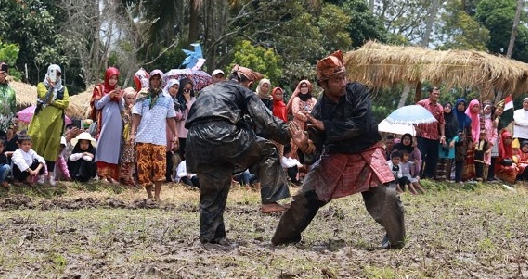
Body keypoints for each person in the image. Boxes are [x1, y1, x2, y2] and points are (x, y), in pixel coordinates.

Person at [272, 50, 405, 249]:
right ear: (324, 84)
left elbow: (360, 123)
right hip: (336, 155)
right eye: (336, 80)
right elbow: (314, 149)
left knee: (387, 195)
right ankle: (284, 238)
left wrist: (326, 126)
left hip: (367, 151)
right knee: (303, 197)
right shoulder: (319, 110)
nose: (342, 83)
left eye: (343, 77)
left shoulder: (358, 92)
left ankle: (396, 240)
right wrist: (304, 144)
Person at [185, 64, 293, 245]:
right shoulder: (243, 91)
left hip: (196, 139)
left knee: (213, 190)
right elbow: (267, 122)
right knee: (268, 150)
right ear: (248, 83)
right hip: (223, 133)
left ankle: (212, 238)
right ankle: (274, 198)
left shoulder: (207, 90)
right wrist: (290, 134)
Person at [130, 70, 176, 201]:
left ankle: (157, 195)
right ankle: (149, 194)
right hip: (143, 136)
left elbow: (170, 118)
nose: (155, 81)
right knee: (144, 168)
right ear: (150, 80)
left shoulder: (167, 98)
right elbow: (136, 115)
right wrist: (133, 133)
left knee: (160, 167)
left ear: (161, 81)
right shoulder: (142, 96)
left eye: (158, 79)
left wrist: (175, 135)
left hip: (159, 138)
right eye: (153, 79)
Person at [28, 64, 69, 186]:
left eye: (58, 74)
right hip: (41, 122)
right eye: (52, 73)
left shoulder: (63, 89)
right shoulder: (41, 85)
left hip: (56, 122)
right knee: (38, 145)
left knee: (52, 147)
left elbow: (65, 103)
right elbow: (44, 97)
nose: (55, 76)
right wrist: (51, 89)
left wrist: (52, 102)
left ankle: (50, 176)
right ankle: (40, 175)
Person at [92, 67, 123, 183]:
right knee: (103, 145)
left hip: (116, 122)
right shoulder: (100, 89)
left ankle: (111, 175)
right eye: (111, 78)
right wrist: (108, 96)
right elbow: (97, 105)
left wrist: (120, 99)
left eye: (115, 79)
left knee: (114, 147)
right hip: (104, 121)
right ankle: (102, 175)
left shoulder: (119, 90)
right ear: (107, 77)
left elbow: (122, 109)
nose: (113, 81)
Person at [415, 87, 445, 180]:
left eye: (438, 94)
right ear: (430, 94)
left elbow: (442, 122)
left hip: (434, 136)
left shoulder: (440, 107)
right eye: (435, 93)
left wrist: (443, 135)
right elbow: (413, 115)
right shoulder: (422, 103)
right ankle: (417, 175)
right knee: (420, 156)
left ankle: (428, 176)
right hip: (422, 135)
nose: (436, 96)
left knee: (433, 157)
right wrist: (416, 127)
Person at [164, 80, 183, 183]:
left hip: (171, 129)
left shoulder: (176, 102)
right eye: (173, 87)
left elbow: (180, 116)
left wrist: (173, 113)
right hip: (163, 128)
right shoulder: (163, 98)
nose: (174, 90)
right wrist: (175, 114)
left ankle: (167, 175)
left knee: (169, 153)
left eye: (176, 88)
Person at [119, 87, 137, 186]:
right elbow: (123, 120)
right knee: (125, 156)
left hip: (134, 135)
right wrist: (128, 112)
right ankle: (123, 176)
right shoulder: (123, 109)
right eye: (128, 98)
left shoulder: (136, 109)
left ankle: (130, 176)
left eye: (132, 98)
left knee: (133, 156)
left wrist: (133, 111)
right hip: (125, 135)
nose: (131, 100)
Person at [176, 78, 195, 160]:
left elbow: (193, 112)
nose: (187, 90)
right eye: (185, 88)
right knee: (177, 154)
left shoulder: (193, 100)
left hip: (188, 132)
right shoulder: (176, 99)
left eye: (189, 88)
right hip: (177, 131)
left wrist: (187, 100)